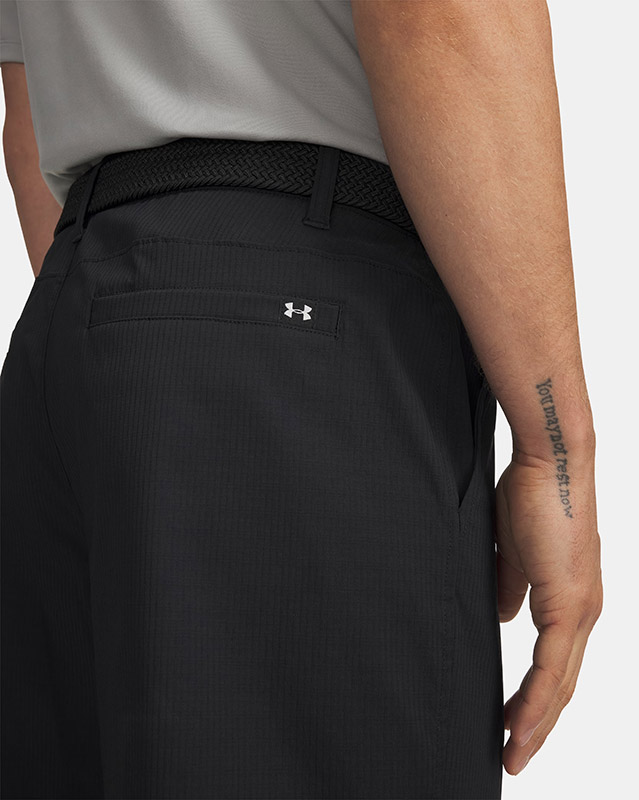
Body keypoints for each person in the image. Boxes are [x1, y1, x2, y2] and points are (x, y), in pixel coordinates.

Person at [0, 1, 603, 798]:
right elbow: (438, 15)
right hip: (298, 327)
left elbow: (27, 95)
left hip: (78, 318)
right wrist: (555, 448)